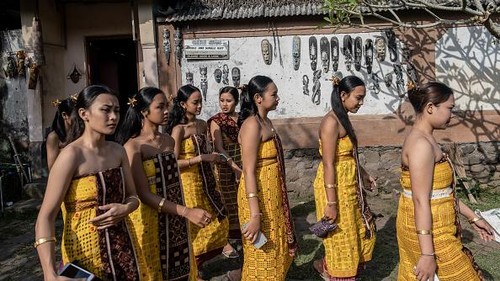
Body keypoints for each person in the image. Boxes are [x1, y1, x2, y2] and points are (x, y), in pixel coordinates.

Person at [34, 85, 140, 280]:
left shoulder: (118, 151)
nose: (114, 117)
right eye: (105, 110)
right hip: (85, 252)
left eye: (116, 110)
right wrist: (50, 274)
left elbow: (133, 196)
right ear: (84, 113)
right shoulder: (71, 155)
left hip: (125, 246)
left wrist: (126, 208)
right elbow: (45, 217)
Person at [396, 82, 494, 281]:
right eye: (450, 108)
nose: (452, 114)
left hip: (438, 225)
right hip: (429, 232)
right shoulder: (420, 145)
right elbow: (420, 200)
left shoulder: (427, 139)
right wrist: (427, 254)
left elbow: (441, 194)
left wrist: (474, 218)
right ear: (431, 107)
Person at [115, 87, 211, 281]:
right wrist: (186, 211)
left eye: (166, 106)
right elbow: (144, 194)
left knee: (182, 265)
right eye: (160, 107)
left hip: (175, 216)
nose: (166, 111)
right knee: (154, 270)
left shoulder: (168, 140)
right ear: (144, 111)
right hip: (150, 218)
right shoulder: (133, 147)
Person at [312, 75, 376, 281]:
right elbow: (329, 163)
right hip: (334, 186)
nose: (361, 103)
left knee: (357, 228)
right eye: (358, 98)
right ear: (343, 95)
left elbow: (349, 155)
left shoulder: (343, 118)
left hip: (350, 184)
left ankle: (327, 266)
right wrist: (331, 202)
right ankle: (336, 273)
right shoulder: (330, 122)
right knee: (341, 235)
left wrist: (363, 175)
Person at [166, 84, 232, 279]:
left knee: (220, 220)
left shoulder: (203, 124)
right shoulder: (178, 130)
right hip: (188, 184)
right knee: (195, 227)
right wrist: (200, 159)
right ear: (182, 104)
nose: (199, 106)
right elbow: (173, 163)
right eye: (195, 103)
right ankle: (194, 268)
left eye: (201, 102)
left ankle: (198, 264)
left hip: (208, 181)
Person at [237, 75, 297, 281]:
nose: (278, 98)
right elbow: (248, 171)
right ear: (258, 98)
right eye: (274, 94)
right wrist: (255, 215)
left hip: (272, 196)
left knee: (274, 246)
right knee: (261, 251)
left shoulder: (266, 122)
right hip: (257, 197)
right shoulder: (252, 125)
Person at [208, 86, 243, 247]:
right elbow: (219, 148)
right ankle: (231, 236)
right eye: (222, 101)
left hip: (244, 161)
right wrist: (234, 167)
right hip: (225, 165)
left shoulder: (243, 118)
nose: (224, 104)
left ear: (236, 101)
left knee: (244, 198)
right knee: (229, 200)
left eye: (229, 101)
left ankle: (246, 231)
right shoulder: (217, 121)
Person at [46, 97, 75, 170]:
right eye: (76, 115)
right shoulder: (54, 137)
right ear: (64, 115)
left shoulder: (78, 134)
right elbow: (52, 167)